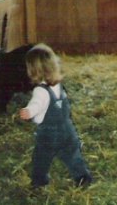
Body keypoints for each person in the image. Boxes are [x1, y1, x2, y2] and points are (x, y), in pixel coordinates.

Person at [18, 43, 92, 188]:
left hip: (49, 133)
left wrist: (28, 111)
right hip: (68, 130)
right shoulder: (58, 85)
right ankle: (83, 177)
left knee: (41, 158)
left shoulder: (40, 90)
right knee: (72, 154)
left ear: (34, 69)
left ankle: (39, 182)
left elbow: (37, 104)